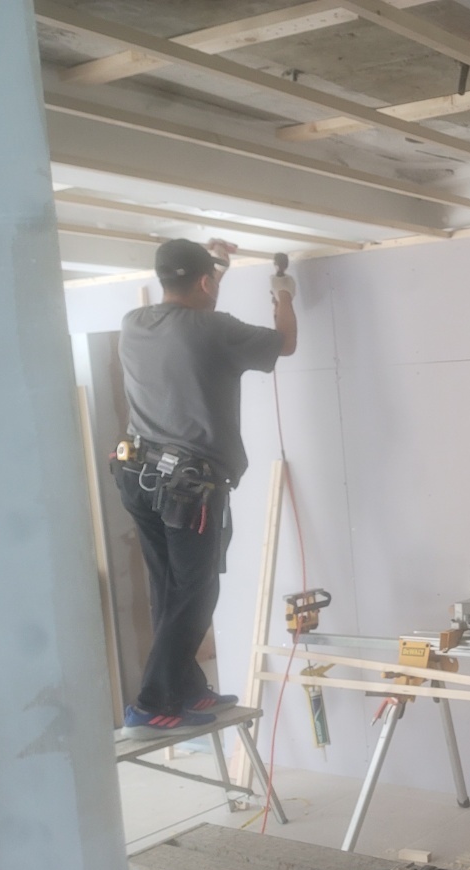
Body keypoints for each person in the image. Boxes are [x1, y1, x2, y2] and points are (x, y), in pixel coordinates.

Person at [114, 238, 297, 739]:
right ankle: (151, 703)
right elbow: (284, 342)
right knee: (196, 592)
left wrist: (215, 269)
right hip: (187, 488)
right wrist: (284, 292)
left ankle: (186, 687)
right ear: (204, 281)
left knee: (168, 588)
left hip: (139, 476)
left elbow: (193, 309)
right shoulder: (215, 330)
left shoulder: (134, 323)